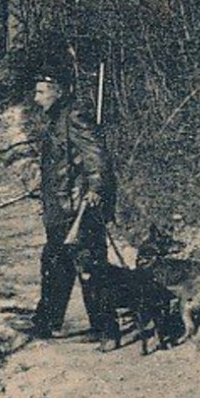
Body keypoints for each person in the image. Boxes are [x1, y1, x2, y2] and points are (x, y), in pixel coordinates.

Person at [31, 62, 117, 338]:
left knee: (88, 267)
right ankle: (48, 323)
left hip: (78, 207)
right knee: (57, 263)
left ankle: (104, 328)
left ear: (58, 92)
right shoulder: (56, 118)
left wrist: (96, 189)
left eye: (42, 92)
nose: (36, 98)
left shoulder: (74, 116)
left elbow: (96, 156)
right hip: (61, 206)